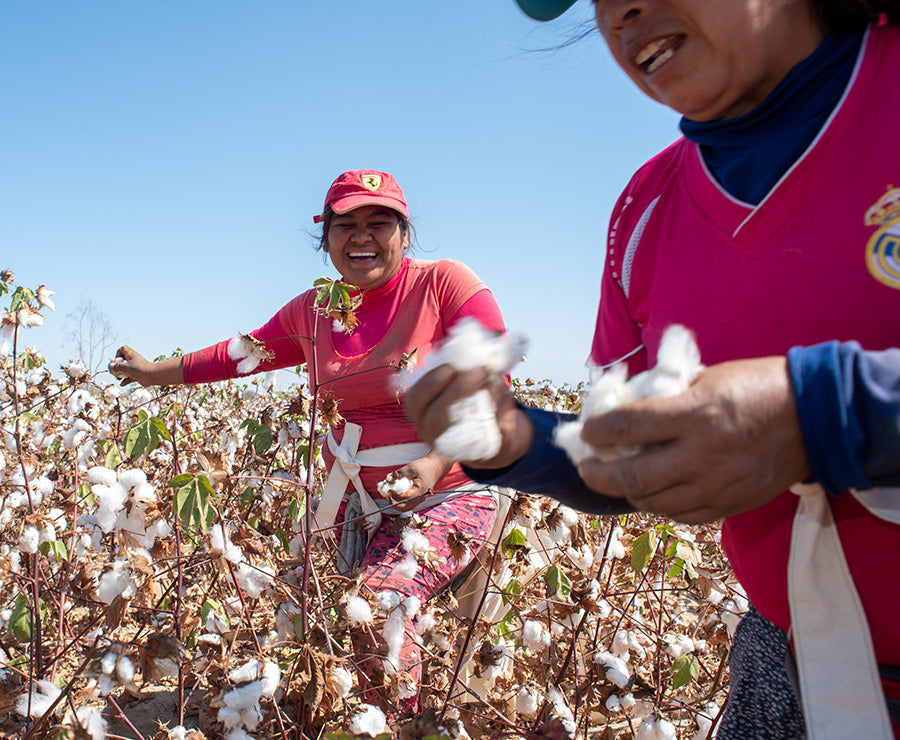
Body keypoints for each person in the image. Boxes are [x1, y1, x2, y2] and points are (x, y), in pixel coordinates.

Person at [403, 2, 900, 738]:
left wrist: (820, 414)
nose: (623, 11)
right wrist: (513, 443)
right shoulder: (646, 213)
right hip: (788, 665)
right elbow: (631, 463)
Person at [109, 168, 505, 716]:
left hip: (451, 491)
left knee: (380, 605)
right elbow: (240, 354)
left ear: (405, 234)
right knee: (301, 608)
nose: (361, 236)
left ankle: (399, 724)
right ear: (326, 240)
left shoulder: (444, 284)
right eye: (345, 225)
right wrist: (157, 372)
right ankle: (368, 709)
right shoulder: (314, 310)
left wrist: (434, 464)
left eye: (379, 222)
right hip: (353, 500)